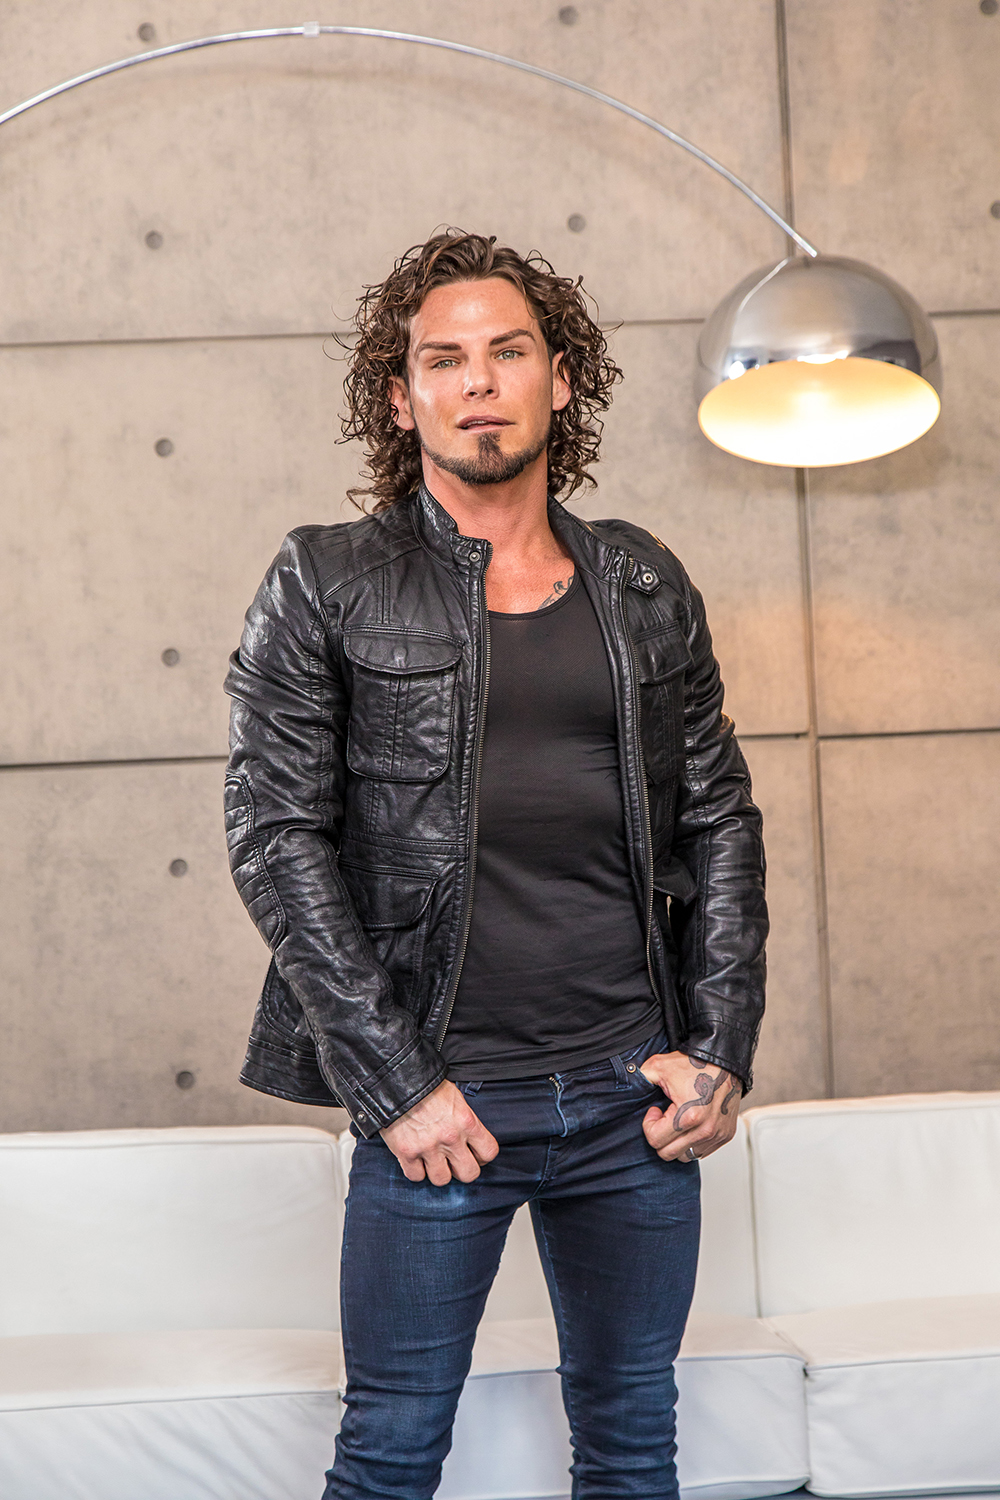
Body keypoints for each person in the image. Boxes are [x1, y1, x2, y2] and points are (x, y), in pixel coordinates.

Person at [224, 229, 767, 1500]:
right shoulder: (325, 580)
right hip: (441, 1108)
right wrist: (398, 1086)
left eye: (508, 351)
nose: (477, 381)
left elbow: (719, 819)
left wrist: (721, 1047)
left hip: (634, 1103)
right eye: (443, 359)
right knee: (390, 1453)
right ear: (400, 396)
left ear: (560, 380)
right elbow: (273, 835)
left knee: (633, 1445)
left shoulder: (640, 579)